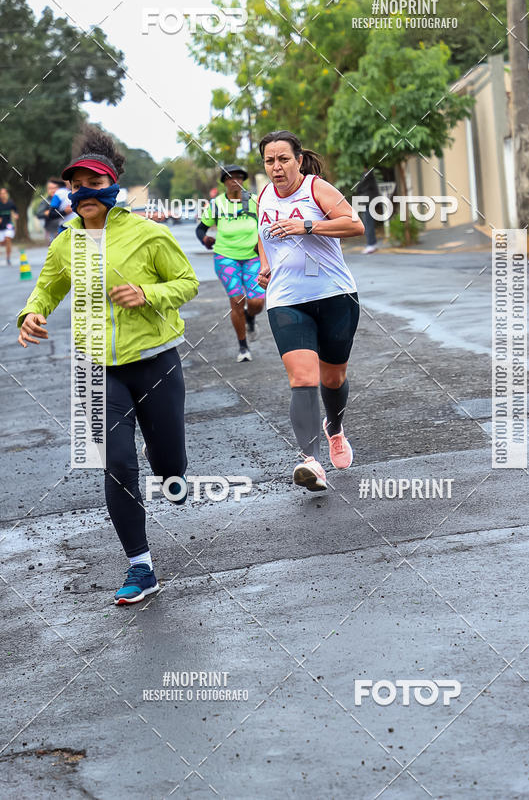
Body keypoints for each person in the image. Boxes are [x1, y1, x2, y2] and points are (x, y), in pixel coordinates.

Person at [16, 126, 199, 605]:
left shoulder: (148, 234)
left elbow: (186, 283)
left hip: (155, 360)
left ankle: (171, 474)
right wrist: (31, 313)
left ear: (113, 187)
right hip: (94, 367)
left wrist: (148, 294)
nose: (83, 193)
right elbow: (48, 287)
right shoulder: (64, 243)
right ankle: (141, 566)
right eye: (76, 186)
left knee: (168, 462)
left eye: (93, 184)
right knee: (116, 463)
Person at [256, 130, 364, 492]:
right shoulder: (263, 197)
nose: (276, 167)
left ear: (298, 160)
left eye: (283, 159)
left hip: (335, 294)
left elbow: (354, 224)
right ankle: (311, 463)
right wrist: (265, 265)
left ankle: (334, 427)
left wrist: (306, 225)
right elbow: (263, 236)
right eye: (270, 161)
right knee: (303, 378)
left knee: (333, 379)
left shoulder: (317, 189)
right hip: (286, 300)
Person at [195, 164, 265, 362]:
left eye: (239, 177)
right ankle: (243, 347)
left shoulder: (254, 201)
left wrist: (262, 247)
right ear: (224, 182)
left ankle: (250, 317)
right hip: (225, 257)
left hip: (252, 257)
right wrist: (205, 240)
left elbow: (267, 224)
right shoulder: (216, 204)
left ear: (243, 180)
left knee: (257, 302)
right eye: (230, 177)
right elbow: (200, 229)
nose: (235, 180)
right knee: (237, 301)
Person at [355, 167, 379, 254]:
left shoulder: (368, 174)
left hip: (367, 202)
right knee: (368, 223)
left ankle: (371, 244)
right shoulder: (369, 175)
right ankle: (372, 243)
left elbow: (360, 187)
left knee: (368, 224)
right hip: (369, 202)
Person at [42, 178, 66, 244]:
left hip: (62, 227)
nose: (52, 190)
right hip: (51, 229)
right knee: (53, 249)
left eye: (54, 188)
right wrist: (45, 213)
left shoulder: (65, 194)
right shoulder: (46, 200)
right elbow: (40, 213)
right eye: (50, 188)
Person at [0, 187, 18, 265]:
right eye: (1, 193)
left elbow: (15, 209)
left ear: (7, 194)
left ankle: (8, 258)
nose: (3, 195)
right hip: (1, 226)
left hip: (8, 224)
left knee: (8, 239)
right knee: (2, 242)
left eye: (4, 193)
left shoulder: (10, 203)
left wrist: (16, 215)